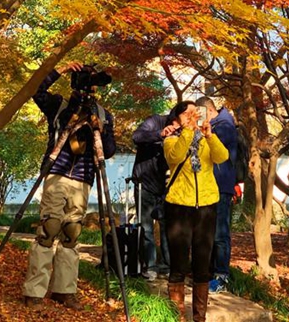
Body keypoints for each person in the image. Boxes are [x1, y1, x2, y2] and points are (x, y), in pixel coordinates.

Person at [23, 63, 116, 310]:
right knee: (49, 229)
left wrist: (101, 128)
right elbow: (36, 90)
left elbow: (108, 151)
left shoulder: (104, 114)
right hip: (57, 172)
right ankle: (34, 291)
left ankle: (64, 290)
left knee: (71, 232)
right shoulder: (60, 105)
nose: (91, 87)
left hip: (83, 178)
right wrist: (60, 69)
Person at [163, 101, 228, 322]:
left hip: (207, 207)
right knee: (179, 263)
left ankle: (200, 318)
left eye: (195, 112)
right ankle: (178, 316)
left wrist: (210, 136)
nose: (192, 115)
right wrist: (188, 130)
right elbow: (175, 157)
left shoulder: (206, 139)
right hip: (179, 207)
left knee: (202, 265)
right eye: (187, 113)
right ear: (177, 118)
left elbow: (222, 157)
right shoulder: (171, 139)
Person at [195, 97, 238, 293]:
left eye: (200, 113)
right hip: (208, 185)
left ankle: (221, 276)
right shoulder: (219, 124)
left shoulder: (224, 126)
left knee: (220, 233)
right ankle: (209, 272)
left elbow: (214, 149)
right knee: (208, 231)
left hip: (221, 186)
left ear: (208, 110)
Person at [131, 112, 180, 280]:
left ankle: (166, 266)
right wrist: (160, 134)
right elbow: (136, 136)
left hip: (167, 187)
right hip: (144, 183)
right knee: (146, 228)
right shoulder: (155, 121)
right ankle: (150, 267)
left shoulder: (186, 132)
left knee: (168, 228)